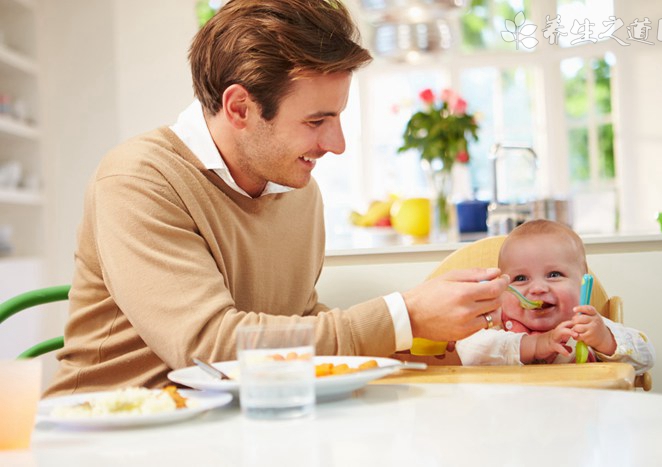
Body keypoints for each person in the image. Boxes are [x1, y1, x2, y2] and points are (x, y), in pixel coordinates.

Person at [45, 0, 508, 397]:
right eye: (316, 121)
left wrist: (419, 341)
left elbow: (295, 326)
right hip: (108, 436)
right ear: (240, 108)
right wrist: (402, 317)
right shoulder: (139, 180)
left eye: (338, 117)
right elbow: (211, 346)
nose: (337, 143)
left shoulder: (297, 190)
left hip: (236, 427)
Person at [456, 219, 655, 374]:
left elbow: (646, 357)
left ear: (583, 280)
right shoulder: (496, 325)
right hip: (511, 419)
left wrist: (605, 340)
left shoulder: (586, 327)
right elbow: (468, 351)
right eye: (521, 278)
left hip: (577, 419)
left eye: (554, 275)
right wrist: (534, 345)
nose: (538, 289)